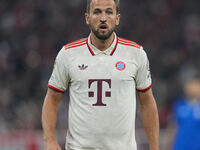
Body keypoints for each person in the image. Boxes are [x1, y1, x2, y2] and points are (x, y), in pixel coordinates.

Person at [41, 0, 159, 150]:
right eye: (97, 12)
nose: (103, 18)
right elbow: (52, 98)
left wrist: (155, 147)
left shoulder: (136, 54)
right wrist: (49, 139)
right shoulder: (68, 54)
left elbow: (147, 102)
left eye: (109, 12)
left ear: (117, 18)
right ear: (87, 18)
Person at [172, 78, 200, 150]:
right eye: (189, 84)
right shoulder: (178, 105)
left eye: (195, 84)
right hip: (180, 146)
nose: (192, 87)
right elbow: (173, 127)